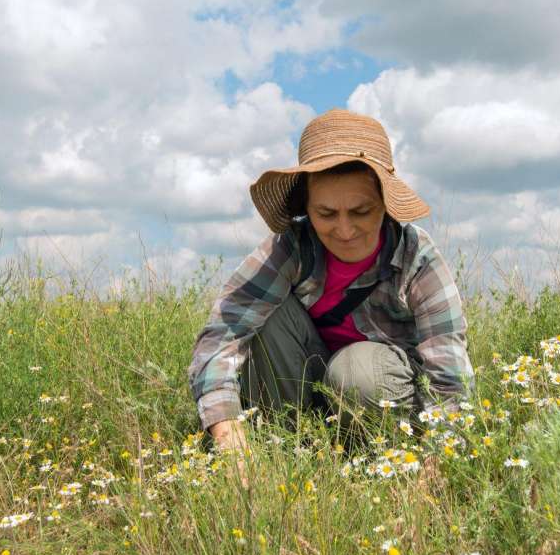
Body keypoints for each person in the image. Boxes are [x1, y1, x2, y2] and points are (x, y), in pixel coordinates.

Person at [187, 108, 474, 458]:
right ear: (306, 208)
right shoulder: (290, 248)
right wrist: (227, 432)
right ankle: (285, 449)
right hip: (307, 396)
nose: (344, 230)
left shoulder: (417, 258)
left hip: (383, 406)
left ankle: (369, 455)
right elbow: (222, 335)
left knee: (357, 371)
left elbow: (447, 374)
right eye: (326, 214)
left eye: (361, 211)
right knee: (264, 317)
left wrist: (439, 457)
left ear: (385, 204)